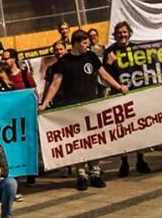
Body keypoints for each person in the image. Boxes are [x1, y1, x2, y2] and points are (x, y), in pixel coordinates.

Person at [39, 29, 125, 191]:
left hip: (91, 105)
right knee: (79, 142)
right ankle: (81, 174)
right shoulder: (65, 61)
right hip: (74, 108)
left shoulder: (90, 56)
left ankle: (95, 173)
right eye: (85, 43)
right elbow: (55, 84)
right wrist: (45, 103)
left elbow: (103, 74)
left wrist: (119, 86)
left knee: (93, 140)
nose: (87, 45)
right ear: (76, 44)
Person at [101, 23, 151, 178]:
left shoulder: (138, 49)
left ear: (129, 33)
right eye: (119, 32)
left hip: (136, 94)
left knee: (139, 128)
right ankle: (124, 162)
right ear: (115, 35)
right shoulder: (109, 52)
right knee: (122, 130)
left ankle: (141, 160)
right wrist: (109, 63)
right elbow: (104, 76)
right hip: (119, 96)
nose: (122, 35)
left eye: (124, 32)